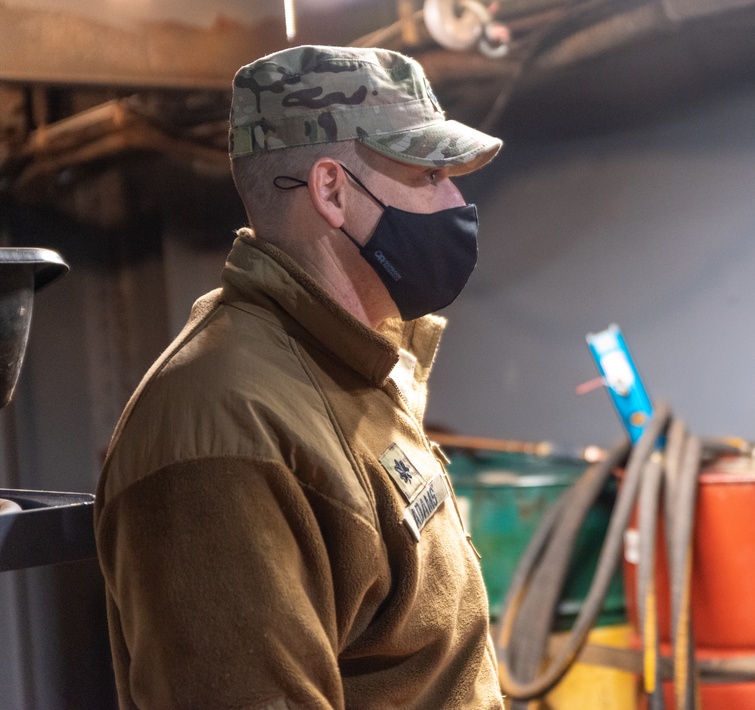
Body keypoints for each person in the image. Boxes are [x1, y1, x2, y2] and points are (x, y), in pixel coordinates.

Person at [94, 45, 504, 709]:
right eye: (428, 175)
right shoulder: (225, 431)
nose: (456, 200)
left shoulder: (352, 368)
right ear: (332, 191)